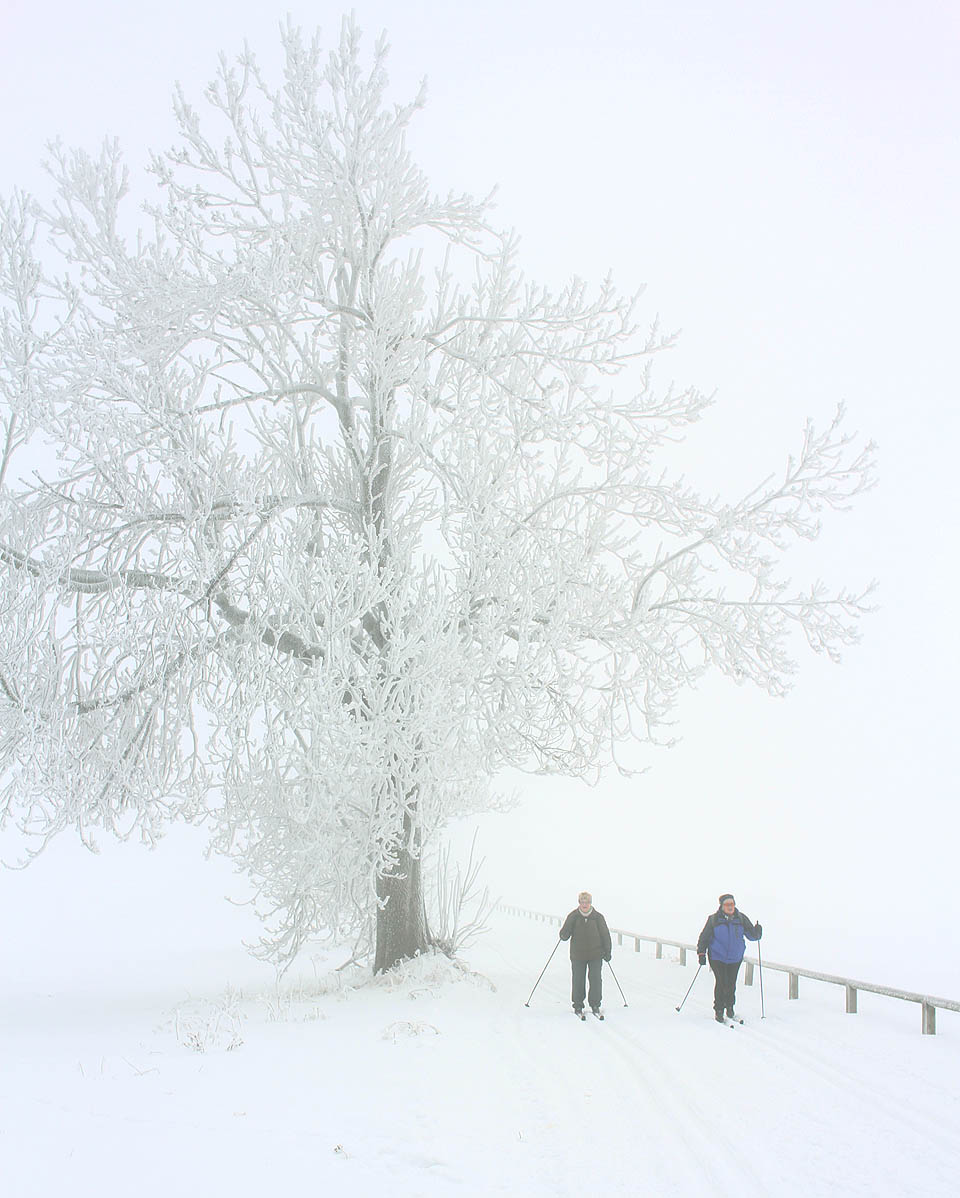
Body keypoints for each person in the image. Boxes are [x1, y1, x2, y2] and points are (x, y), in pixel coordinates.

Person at [696, 893, 762, 1022]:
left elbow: (752, 936)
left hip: (735, 957)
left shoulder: (741, 918)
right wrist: (701, 953)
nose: (730, 907)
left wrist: (758, 931)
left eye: (732, 904)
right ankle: (719, 1010)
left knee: (731, 983)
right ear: (721, 906)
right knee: (721, 982)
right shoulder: (714, 919)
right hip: (717, 956)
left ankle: (730, 1007)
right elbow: (704, 937)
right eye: (727, 904)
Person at [559, 891, 612, 1015]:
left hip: (596, 955)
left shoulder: (598, 917)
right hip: (578, 955)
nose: (584, 904)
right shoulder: (573, 916)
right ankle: (578, 1005)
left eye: (586, 902)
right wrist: (563, 934)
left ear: (590, 903)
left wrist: (607, 952)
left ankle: (595, 1005)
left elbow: (605, 935)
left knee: (596, 980)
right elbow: (564, 933)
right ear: (579, 903)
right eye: (582, 902)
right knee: (578, 980)